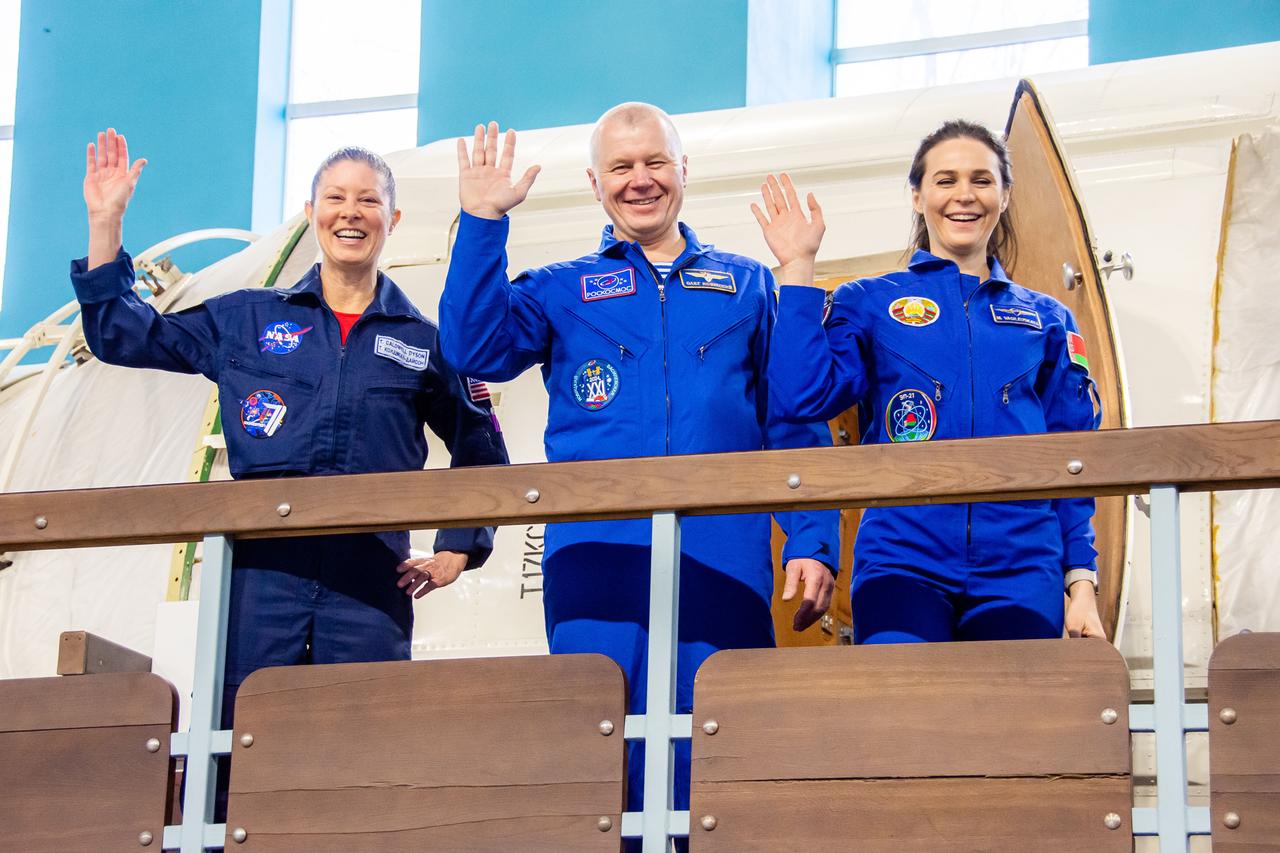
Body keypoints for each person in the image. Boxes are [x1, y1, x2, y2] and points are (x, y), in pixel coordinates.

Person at [438, 105, 840, 816]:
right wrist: (481, 224)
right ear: (596, 183)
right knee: (601, 748)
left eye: (655, 161)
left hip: (722, 554)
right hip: (598, 554)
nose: (640, 180)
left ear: (684, 169)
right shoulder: (560, 288)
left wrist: (811, 536)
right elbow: (474, 350)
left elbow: (792, 418)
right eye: (621, 167)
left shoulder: (748, 286)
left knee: (722, 742)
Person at [71, 129, 509, 763]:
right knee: (238, 739)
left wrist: (457, 550)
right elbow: (125, 335)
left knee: (365, 748)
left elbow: (480, 443)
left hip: (370, 581)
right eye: (335, 198)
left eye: (368, 201)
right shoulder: (246, 319)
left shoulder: (427, 343)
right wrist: (105, 226)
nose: (350, 213)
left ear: (393, 220)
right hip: (259, 577)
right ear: (311, 213)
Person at [755, 119, 1106, 644]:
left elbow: (1073, 460)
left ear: (1005, 196)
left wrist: (1081, 584)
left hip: (1021, 566)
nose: (964, 195)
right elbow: (804, 395)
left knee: (1007, 721)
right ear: (917, 196)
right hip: (902, 558)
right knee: (907, 717)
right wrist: (799, 270)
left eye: (981, 180)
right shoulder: (868, 301)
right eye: (945, 181)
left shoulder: (1048, 319)